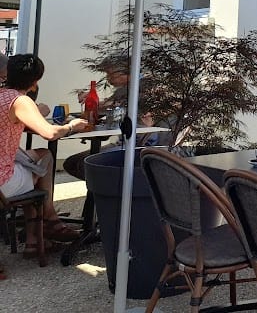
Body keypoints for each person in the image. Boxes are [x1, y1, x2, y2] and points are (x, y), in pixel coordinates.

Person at [0, 54, 86, 257]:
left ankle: (36, 239)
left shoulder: (3, 95)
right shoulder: (20, 100)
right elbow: (50, 133)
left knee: (39, 158)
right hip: (4, 182)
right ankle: (49, 219)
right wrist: (71, 126)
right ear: (35, 81)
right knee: (44, 160)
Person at [63, 59, 159, 180]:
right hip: (126, 141)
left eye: (110, 74)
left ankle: (107, 190)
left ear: (126, 72)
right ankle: (103, 191)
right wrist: (94, 101)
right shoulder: (125, 88)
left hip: (140, 144)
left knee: (81, 163)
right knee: (73, 163)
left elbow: (111, 106)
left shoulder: (142, 87)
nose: (108, 78)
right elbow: (110, 106)